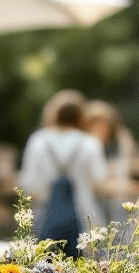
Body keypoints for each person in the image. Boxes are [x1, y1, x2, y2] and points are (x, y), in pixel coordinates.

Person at [18, 90, 106, 254]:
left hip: (47, 215)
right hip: (86, 216)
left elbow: (28, 183)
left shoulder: (38, 140)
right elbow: (100, 180)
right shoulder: (89, 142)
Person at [84, 99, 135, 224]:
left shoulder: (121, 141)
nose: (99, 129)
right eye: (94, 124)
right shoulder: (86, 144)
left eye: (103, 124)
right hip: (91, 200)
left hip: (116, 198)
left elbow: (123, 170)